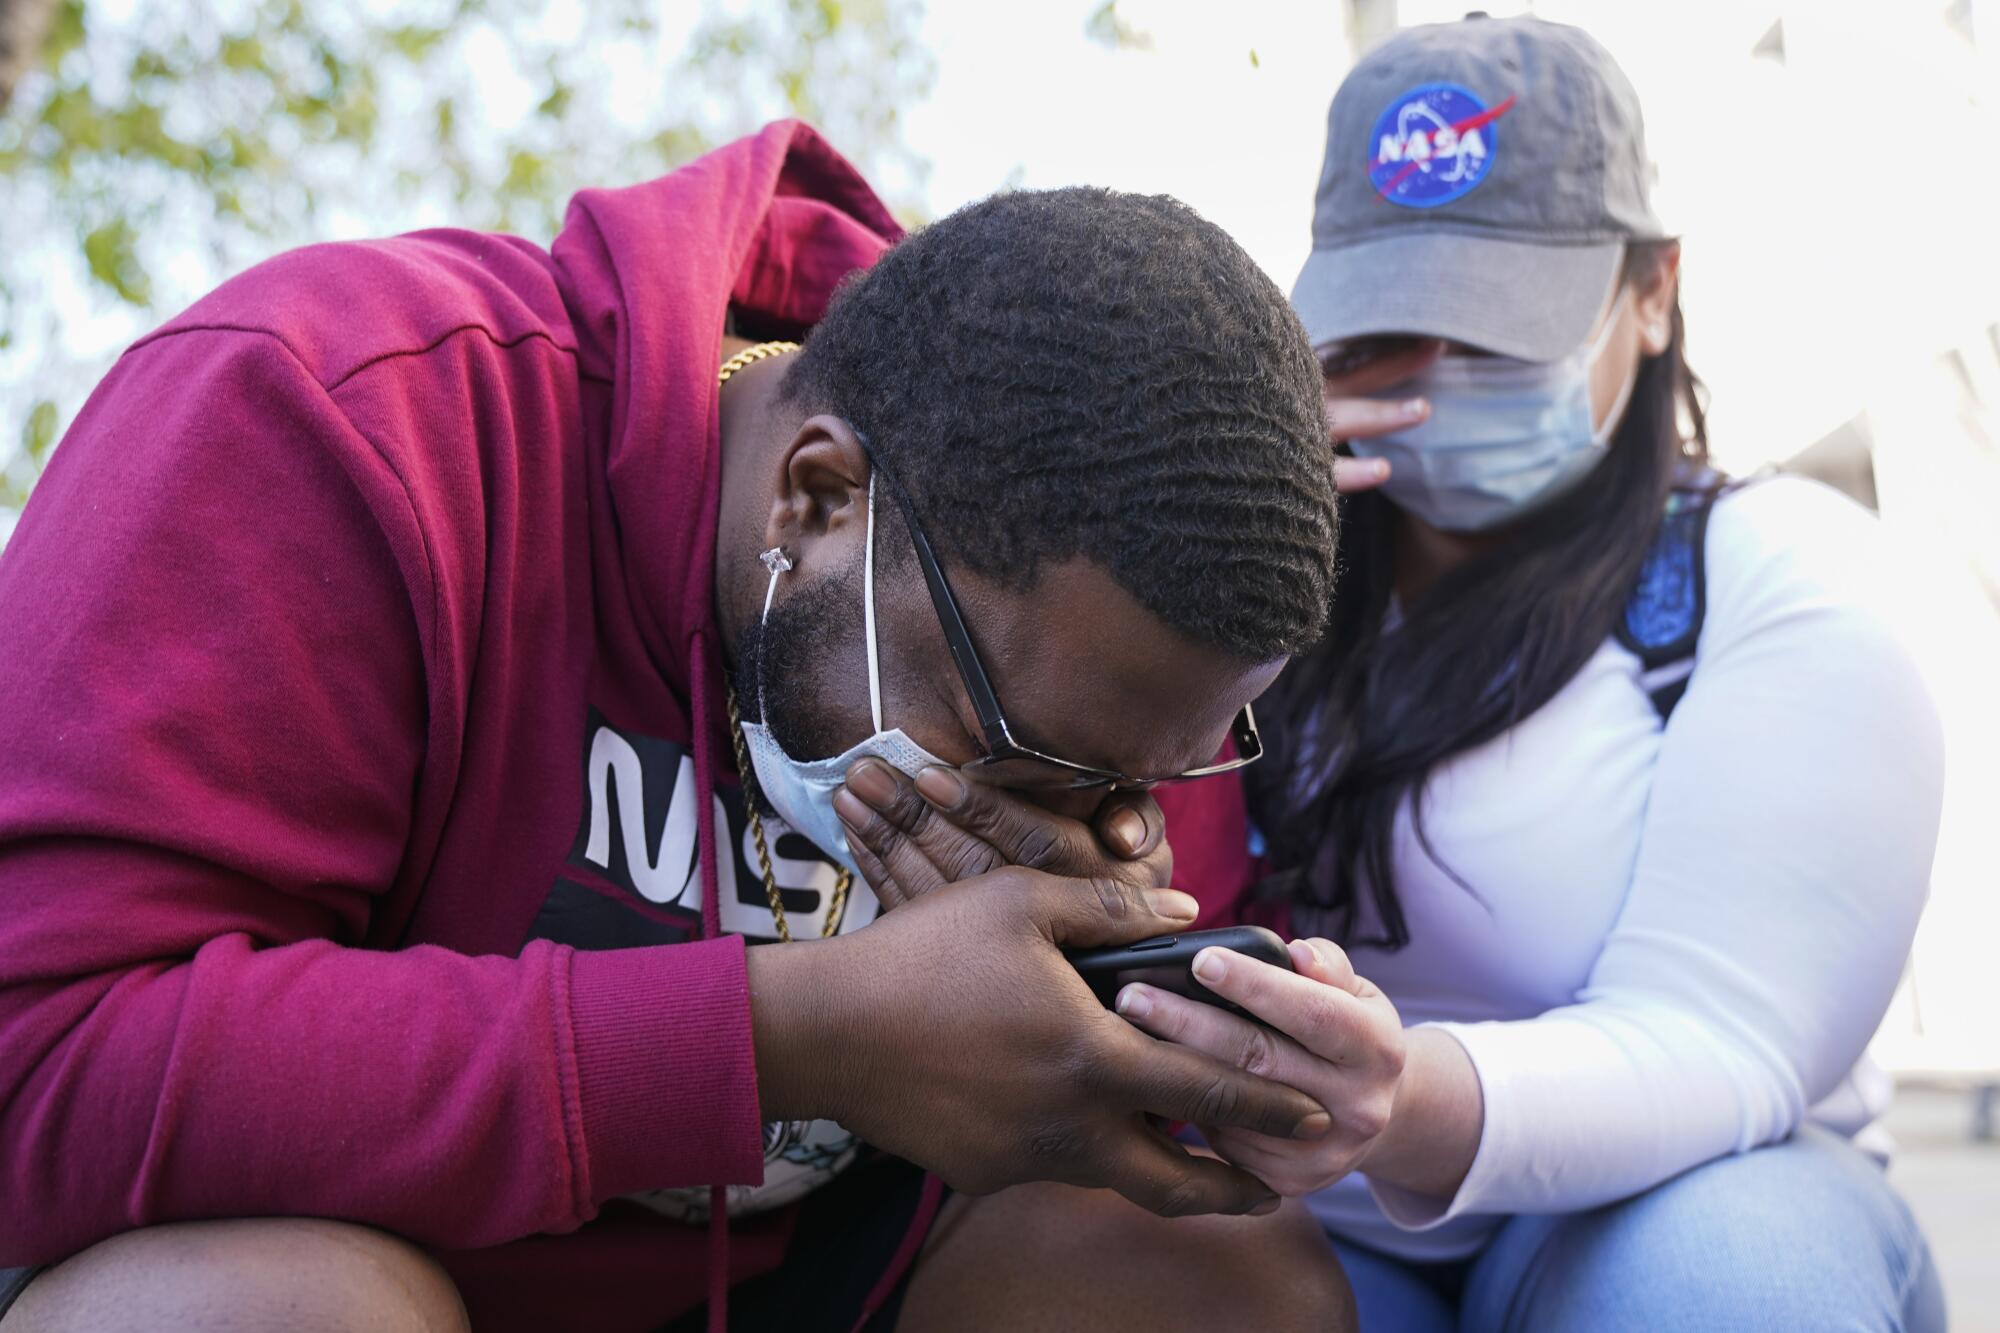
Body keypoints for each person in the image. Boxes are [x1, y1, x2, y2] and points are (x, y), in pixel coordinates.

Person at [0, 122, 1374, 1332]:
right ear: (818, 500)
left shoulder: (1094, 641)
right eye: (1024, 756)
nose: (1097, 814)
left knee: (1215, 1283)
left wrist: (1237, 1062)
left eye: (1152, 774)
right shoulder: (352, 416)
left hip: (816, 1286)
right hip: (409, 1273)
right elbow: (41, 1060)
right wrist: (780, 1037)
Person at [1106, 16, 1951, 1331]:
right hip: (1294, 1223)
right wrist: (1210, 532)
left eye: (1499, 331)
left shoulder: (1775, 571)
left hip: (1672, 1200)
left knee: (1724, 1288)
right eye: (1386, 329)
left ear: (1655, 289)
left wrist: (1401, 1101)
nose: (1438, 376)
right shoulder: (1284, 558)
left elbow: (1726, 1042)